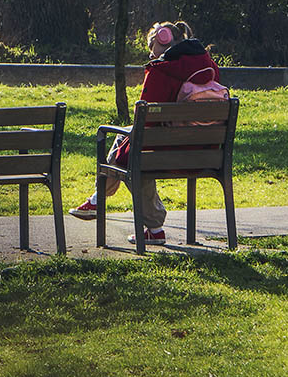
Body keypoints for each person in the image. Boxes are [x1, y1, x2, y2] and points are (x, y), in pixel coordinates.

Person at [69, 20, 222, 245]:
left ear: (164, 38)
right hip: (205, 152)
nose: (151, 54)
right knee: (127, 140)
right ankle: (97, 200)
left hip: (166, 154)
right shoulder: (209, 65)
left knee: (131, 154)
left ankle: (148, 224)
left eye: (152, 47)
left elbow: (145, 119)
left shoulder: (160, 70)